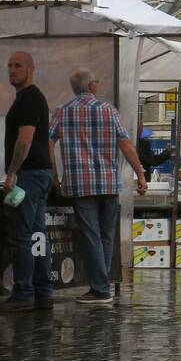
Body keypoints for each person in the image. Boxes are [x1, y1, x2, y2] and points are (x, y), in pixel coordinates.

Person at [49, 68, 148, 306]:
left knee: (91, 236)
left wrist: (55, 175)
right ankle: (100, 287)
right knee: (106, 235)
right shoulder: (108, 111)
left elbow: (48, 144)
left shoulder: (63, 112)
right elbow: (126, 145)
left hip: (80, 184)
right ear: (92, 86)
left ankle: (100, 289)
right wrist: (140, 175)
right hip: (108, 182)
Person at [0, 51, 54, 312]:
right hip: (40, 174)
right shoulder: (29, 98)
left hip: (29, 175)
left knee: (23, 235)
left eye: (18, 65)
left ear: (31, 69)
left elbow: (25, 139)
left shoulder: (29, 98)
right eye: (10, 66)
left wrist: (12, 172)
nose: (12, 70)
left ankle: (24, 292)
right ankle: (44, 291)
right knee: (37, 234)